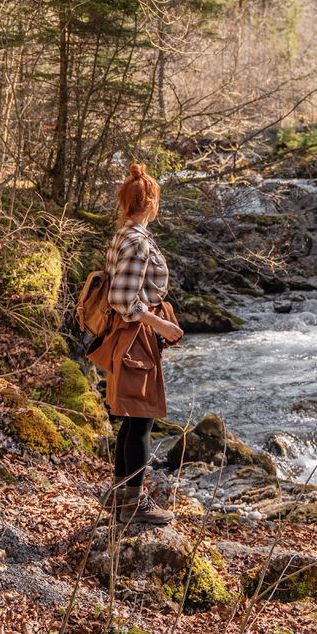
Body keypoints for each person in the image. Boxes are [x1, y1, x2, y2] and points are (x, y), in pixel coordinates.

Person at [88, 163, 183, 524]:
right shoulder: (137, 242)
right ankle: (135, 503)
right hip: (134, 338)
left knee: (131, 418)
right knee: (141, 418)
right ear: (151, 204)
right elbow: (123, 298)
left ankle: (119, 494)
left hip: (129, 336)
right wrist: (159, 322)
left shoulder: (122, 236)